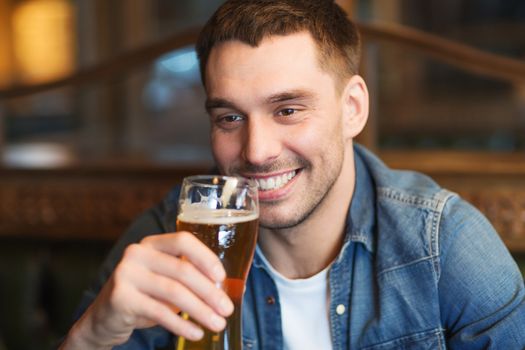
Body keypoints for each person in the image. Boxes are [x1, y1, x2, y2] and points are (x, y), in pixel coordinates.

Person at [60, 1, 525, 349]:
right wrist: (92, 334)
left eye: (287, 109)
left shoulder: (445, 245)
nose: (257, 152)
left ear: (352, 109)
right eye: (229, 118)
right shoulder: (171, 237)